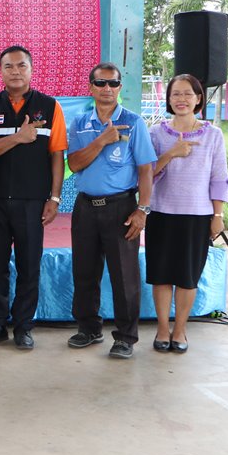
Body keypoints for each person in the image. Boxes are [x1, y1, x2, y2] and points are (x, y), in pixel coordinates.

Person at [0, 46, 66, 350]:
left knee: (29, 266)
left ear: (31, 69)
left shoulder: (50, 107)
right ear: (0, 71)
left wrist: (54, 198)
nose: (15, 71)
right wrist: (17, 137)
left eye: (21, 65)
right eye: (9, 66)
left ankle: (24, 326)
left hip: (32, 202)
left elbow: (57, 154)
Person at [65, 63, 155, 359]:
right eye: (100, 83)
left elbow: (146, 170)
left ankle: (126, 337)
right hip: (86, 206)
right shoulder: (80, 122)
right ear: (90, 87)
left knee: (124, 275)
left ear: (120, 87)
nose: (107, 89)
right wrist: (102, 140)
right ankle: (89, 328)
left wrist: (142, 210)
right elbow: (74, 164)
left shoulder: (133, 122)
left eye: (113, 83)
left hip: (121, 207)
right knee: (84, 271)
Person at [146, 73, 228, 354]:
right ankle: (162, 328)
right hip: (161, 213)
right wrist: (171, 153)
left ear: (198, 99)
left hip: (197, 216)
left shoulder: (213, 134)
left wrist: (217, 216)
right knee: (161, 275)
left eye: (187, 94)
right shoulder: (156, 133)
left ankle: (180, 329)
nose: (181, 99)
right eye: (176, 94)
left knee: (187, 277)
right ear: (168, 99)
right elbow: (146, 174)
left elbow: (219, 177)